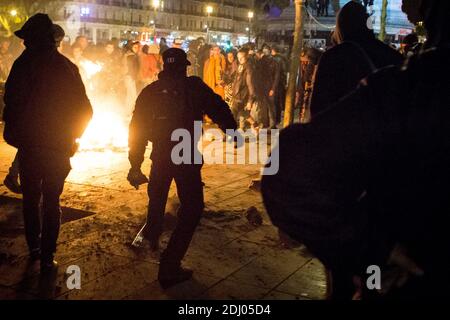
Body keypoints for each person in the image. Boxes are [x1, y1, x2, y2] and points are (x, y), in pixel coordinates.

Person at [262, 0, 450, 300]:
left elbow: (299, 156)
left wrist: (368, 243)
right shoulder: (391, 57)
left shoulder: (411, 82)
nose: (402, 3)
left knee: (347, 284)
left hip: (370, 209)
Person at [127, 48, 237, 288]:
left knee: (156, 198)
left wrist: (135, 164)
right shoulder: (194, 87)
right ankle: (169, 263)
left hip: (161, 156)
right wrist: (232, 131)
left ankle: (153, 234)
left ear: (164, 67)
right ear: (185, 67)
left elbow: (137, 129)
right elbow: (219, 107)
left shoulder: (151, 92)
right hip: (186, 155)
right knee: (193, 208)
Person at [2, 14, 93, 273]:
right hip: (57, 146)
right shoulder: (66, 67)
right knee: (52, 200)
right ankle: (47, 255)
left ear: (31, 39)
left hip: (30, 146)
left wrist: (18, 136)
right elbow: (85, 109)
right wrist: (72, 137)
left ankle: (34, 248)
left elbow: (10, 105)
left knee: (31, 198)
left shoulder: (22, 65)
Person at [310, 1, 403, 117]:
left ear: (340, 26)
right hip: (382, 130)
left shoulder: (334, 57)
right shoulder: (389, 54)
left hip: (343, 130)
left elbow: (318, 109)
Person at [231, 49, 257, 130]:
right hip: (237, 95)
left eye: (241, 57)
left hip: (241, 96)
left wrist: (250, 101)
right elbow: (237, 80)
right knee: (243, 113)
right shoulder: (240, 66)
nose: (239, 59)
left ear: (246, 57)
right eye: (238, 57)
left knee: (233, 115)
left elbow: (250, 85)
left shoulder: (248, 68)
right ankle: (255, 124)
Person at [123, 41, 140, 116]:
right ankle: (130, 112)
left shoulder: (129, 55)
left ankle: (128, 112)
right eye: (135, 47)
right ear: (131, 47)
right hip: (130, 77)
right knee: (132, 96)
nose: (136, 49)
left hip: (129, 77)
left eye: (137, 47)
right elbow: (132, 68)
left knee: (130, 96)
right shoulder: (131, 56)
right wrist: (133, 77)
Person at [271, 46, 287, 124]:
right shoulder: (283, 59)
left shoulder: (273, 59)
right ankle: (278, 119)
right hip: (281, 83)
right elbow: (285, 71)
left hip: (275, 82)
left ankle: (275, 119)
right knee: (279, 101)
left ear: (273, 51)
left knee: (274, 101)